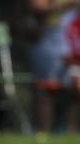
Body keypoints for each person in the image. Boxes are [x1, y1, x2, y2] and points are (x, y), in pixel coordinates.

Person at [28, 0, 77, 132]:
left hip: (73, 39)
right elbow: (38, 6)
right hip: (49, 41)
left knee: (72, 89)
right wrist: (68, 4)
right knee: (46, 88)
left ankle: (69, 131)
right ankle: (42, 131)